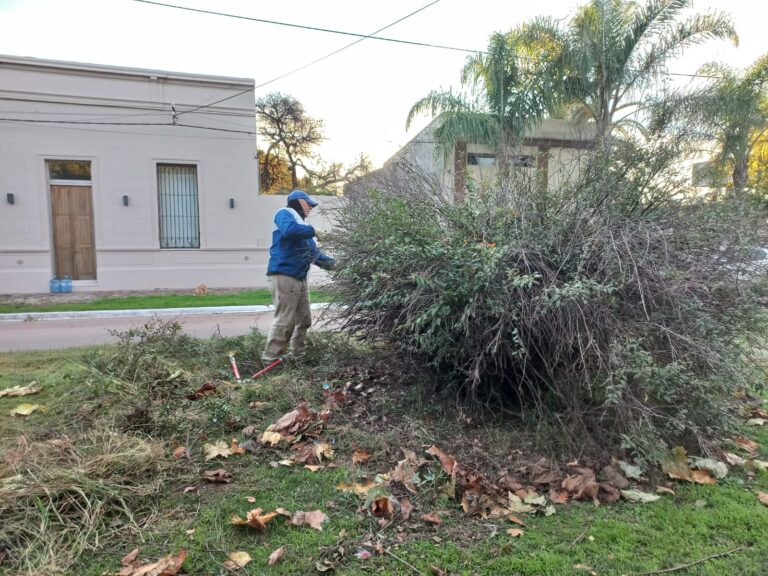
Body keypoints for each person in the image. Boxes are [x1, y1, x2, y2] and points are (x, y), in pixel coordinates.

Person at [261, 189, 335, 365]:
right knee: (286, 320)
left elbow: (313, 254)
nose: (311, 208)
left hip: (299, 278)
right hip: (285, 274)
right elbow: (289, 231)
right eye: (309, 204)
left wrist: (337, 265)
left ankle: (297, 357)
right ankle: (270, 360)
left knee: (304, 320)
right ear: (299, 202)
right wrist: (314, 230)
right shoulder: (284, 213)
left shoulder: (302, 226)